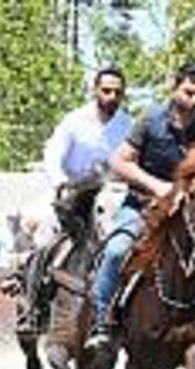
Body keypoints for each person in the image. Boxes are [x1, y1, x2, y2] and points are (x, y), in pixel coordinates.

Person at [87, 61, 195, 350]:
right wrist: (159, 187)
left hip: (188, 214)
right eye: (189, 90)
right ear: (174, 87)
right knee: (115, 251)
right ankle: (102, 322)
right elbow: (119, 161)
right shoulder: (151, 119)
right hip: (143, 206)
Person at [14, 64, 133, 335]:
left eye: (117, 92)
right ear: (95, 91)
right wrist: (61, 185)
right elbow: (52, 155)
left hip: (109, 196)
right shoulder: (74, 120)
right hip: (70, 191)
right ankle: (31, 307)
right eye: (106, 91)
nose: (112, 97)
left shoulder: (128, 125)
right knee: (43, 233)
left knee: (125, 242)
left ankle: (119, 314)